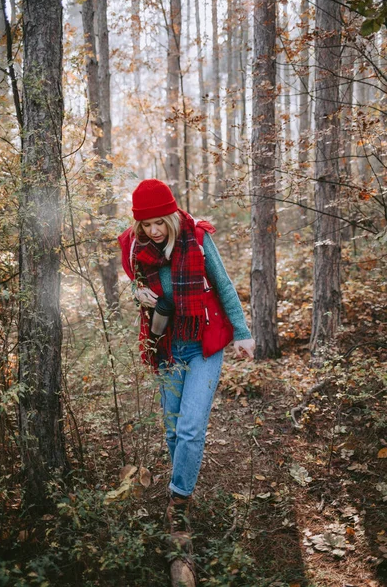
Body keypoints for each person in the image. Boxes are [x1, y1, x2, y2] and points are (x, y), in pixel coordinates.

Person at [118, 179, 254, 544]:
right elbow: (133, 282)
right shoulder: (136, 249)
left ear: (172, 216)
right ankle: (183, 479)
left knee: (191, 427)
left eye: (160, 222)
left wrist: (242, 332)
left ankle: (179, 501)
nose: (155, 231)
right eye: (147, 225)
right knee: (173, 431)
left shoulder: (198, 238)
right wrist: (138, 292)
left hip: (203, 346)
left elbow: (223, 285)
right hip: (166, 348)